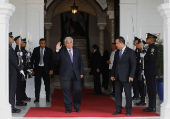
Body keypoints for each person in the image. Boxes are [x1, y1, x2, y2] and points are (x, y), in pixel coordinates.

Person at [54, 37, 84, 113]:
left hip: (76, 75)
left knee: (78, 90)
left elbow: (81, 62)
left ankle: (77, 106)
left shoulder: (77, 51)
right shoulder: (61, 51)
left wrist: (81, 73)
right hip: (65, 75)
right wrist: (57, 50)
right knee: (66, 92)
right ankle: (68, 108)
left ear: (73, 43)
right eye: (67, 43)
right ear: (65, 44)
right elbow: (55, 60)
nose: (69, 44)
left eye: (71, 42)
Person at [111, 36, 136, 115]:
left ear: (122, 43)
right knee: (117, 94)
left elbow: (133, 65)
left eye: (117, 43)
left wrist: (131, 76)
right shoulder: (117, 52)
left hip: (127, 77)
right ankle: (118, 109)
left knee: (128, 94)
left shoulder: (130, 52)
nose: (116, 45)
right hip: (117, 77)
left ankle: (128, 110)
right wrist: (112, 74)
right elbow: (115, 64)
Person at [30, 38, 54, 103]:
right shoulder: (36, 50)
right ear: (39, 43)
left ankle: (47, 98)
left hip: (46, 69)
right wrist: (31, 68)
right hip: (38, 69)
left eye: (44, 43)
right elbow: (32, 59)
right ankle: (37, 98)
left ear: (45, 43)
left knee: (47, 85)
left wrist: (51, 69)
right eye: (41, 43)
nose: (43, 45)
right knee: (37, 84)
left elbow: (52, 61)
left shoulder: (49, 50)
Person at [9, 32, 25, 113]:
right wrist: (19, 68)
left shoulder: (10, 47)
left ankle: (12, 106)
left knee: (13, 89)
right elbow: (12, 60)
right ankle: (11, 107)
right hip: (12, 71)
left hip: (13, 71)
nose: (12, 39)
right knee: (12, 90)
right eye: (11, 37)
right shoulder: (8, 48)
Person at [142, 33, 158, 112]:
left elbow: (151, 59)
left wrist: (145, 57)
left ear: (151, 40)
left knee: (152, 90)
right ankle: (150, 106)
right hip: (148, 71)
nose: (146, 40)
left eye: (147, 39)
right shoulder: (149, 48)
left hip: (151, 71)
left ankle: (152, 107)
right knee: (149, 90)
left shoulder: (153, 48)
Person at [15, 36, 27, 106]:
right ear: (17, 41)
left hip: (22, 69)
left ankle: (20, 100)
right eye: (20, 40)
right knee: (19, 86)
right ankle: (18, 101)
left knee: (21, 86)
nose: (22, 42)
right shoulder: (17, 49)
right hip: (18, 71)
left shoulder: (20, 50)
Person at [135, 39, 147, 106]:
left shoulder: (144, 52)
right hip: (138, 71)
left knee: (143, 87)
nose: (137, 45)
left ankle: (143, 100)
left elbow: (143, 63)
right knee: (139, 86)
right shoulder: (138, 51)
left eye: (138, 44)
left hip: (142, 71)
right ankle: (141, 99)